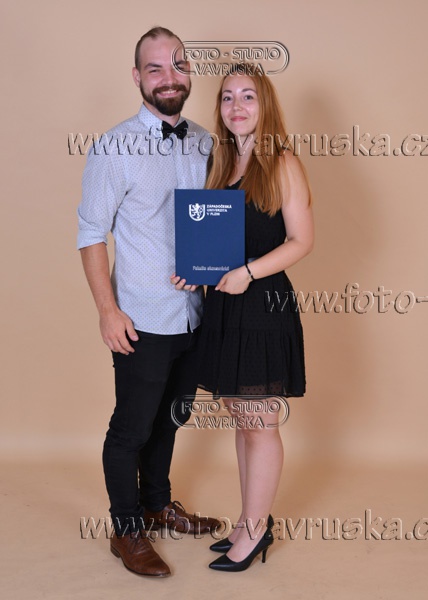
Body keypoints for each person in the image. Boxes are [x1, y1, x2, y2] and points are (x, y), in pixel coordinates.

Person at [77, 26, 220, 578]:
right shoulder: (114, 147)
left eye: (178, 65)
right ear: (137, 77)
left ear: (190, 73)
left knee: (172, 420)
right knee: (131, 429)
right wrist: (107, 312)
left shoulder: (205, 141)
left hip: (193, 315)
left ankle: (159, 505)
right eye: (155, 68)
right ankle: (127, 529)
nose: (168, 77)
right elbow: (91, 233)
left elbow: (212, 221)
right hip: (140, 318)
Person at [173, 66, 314, 572]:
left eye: (248, 96)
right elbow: (214, 241)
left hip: (262, 306)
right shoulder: (221, 162)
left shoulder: (283, 162)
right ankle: (248, 520)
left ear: (265, 105)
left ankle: (255, 533)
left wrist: (248, 273)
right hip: (224, 305)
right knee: (241, 417)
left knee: (260, 423)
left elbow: (301, 240)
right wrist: (195, 271)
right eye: (228, 97)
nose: (237, 106)